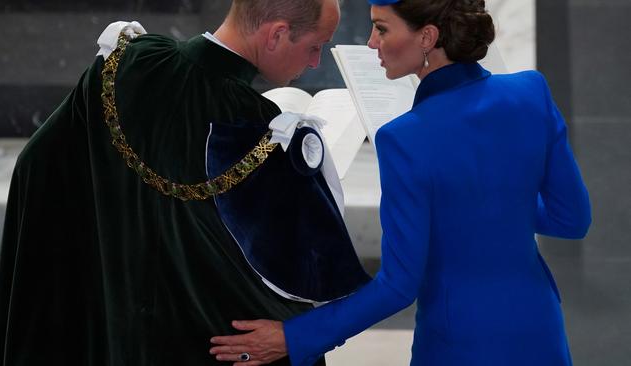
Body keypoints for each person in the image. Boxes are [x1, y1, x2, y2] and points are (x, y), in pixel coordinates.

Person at [0, 0, 372, 365]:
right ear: (275, 34)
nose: (316, 61)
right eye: (315, 47)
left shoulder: (128, 62)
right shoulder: (258, 131)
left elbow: (38, 164)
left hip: (111, 328)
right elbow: (301, 280)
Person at [209, 0, 592, 365]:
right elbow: (571, 219)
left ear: (426, 37)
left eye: (381, 29)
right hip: (539, 328)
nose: (371, 43)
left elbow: (397, 286)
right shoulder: (531, 91)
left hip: (458, 345)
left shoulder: (404, 138)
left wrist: (292, 338)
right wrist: (501, 205)